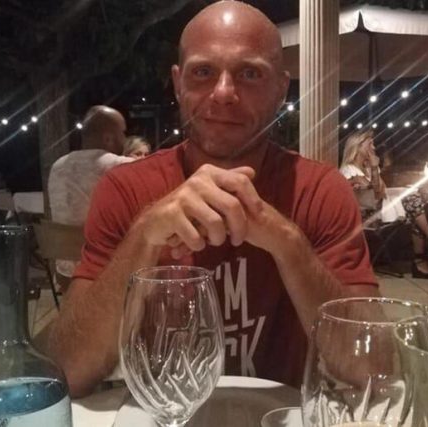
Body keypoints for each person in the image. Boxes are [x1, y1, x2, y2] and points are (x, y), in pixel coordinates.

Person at [43, 1, 378, 397]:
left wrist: (287, 241)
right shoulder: (125, 189)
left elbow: (371, 368)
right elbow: (68, 370)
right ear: (178, 82)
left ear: (280, 88)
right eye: (203, 72)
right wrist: (144, 236)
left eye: (249, 73)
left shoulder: (320, 190)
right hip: (165, 416)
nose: (223, 93)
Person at [47, 106, 133, 285]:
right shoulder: (121, 165)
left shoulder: (57, 166)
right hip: (102, 272)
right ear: (108, 138)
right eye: (123, 133)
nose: (125, 139)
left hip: (64, 274)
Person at [339, 130, 386, 220]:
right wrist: (374, 168)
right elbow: (375, 196)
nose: (373, 147)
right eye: (370, 144)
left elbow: (382, 192)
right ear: (358, 147)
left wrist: (374, 168)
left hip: (378, 213)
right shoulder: (348, 170)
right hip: (361, 218)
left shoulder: (369, 167)